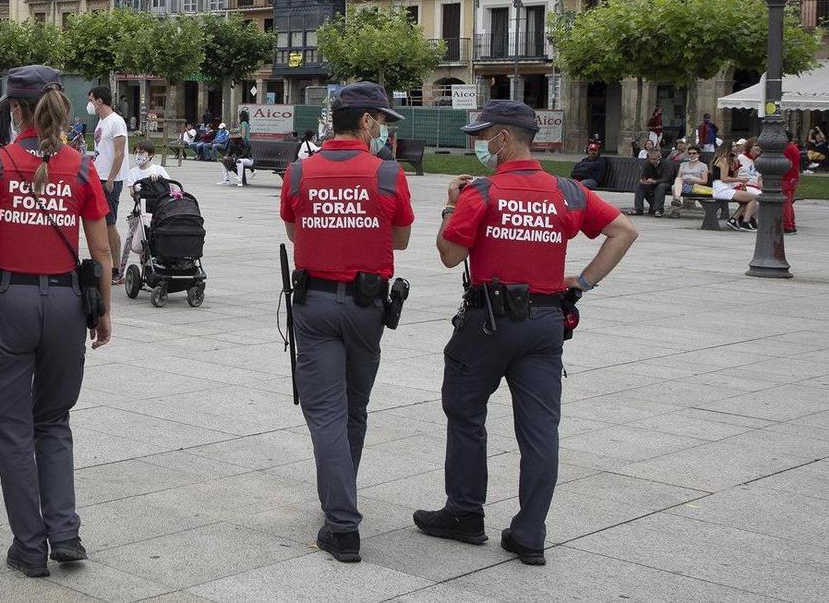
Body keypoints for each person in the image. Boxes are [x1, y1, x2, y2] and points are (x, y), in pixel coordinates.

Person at [418, 99, 637, 567]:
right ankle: (530, 531)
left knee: (465, 412)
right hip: (544, 323)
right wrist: (583, 281)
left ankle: (464, 512)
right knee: (540, 431)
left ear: (502, 138)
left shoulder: (483, 192)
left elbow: (451, 255)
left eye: (482, 137)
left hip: (487, 324)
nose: (479, 146)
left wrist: (450, 207)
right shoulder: (567, 191)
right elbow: (623, 231)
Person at [0, 65, 112, 579]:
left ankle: (29, 545)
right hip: (66, 305)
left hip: (10, 305)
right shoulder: (80, 167)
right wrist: (102, 310)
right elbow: (102, 250)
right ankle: (66, 534)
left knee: (12, 428)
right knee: (54, 422)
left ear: (13, 110)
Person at [278, 81, 414, 563]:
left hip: (314, 306)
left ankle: (341, 521)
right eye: (381, 121)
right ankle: (342, 502)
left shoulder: (298, 172)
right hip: (367, 308)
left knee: (325, 414)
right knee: (354, 409)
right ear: (367, 122)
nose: (382, 130)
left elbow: (295, 231)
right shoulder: (388, 174)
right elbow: (399, 241)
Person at [88, 85, 129, 283]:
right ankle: (105, 265)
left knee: (110, 223)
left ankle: (116, 268)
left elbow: (119, 152)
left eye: (91, 100)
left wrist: (112, 177)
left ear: (99, 101)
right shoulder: (101, 122)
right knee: (100, 222)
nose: (90, 104)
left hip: (110, 179)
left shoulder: (116, 122)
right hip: (98, 176)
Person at [120, 140, 171, 274]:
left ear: (151, 154)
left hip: (159, 209)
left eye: (141, 152)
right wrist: (137, 190)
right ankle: (145, 270)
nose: (138, 155)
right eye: (136, 152)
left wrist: (159, 180)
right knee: (142, 241)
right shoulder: (133, 172)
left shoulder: (158, 170)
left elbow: (170, 187)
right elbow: (132, 193)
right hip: (142, 209)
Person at [711, 145, 758, 231]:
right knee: (754, 197)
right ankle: (745, 223)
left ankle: (733, 220)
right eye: (732, 146)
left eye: (735, 146)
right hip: (721, 188)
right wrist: (741, 179)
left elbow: (733, 176)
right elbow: (724, 178)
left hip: (728, 187)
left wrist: (737, 166)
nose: (735, 148)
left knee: (747, 200)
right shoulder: (723, 160)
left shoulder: (730, 161)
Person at [634, 147, 674, 216]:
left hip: (666, 183)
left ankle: (658, 210)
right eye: (651, 159)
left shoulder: (666, 164)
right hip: (652, 183)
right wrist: (643, 180)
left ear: (659, 157)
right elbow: (644, 175)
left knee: (660, 187)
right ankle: (638, 209)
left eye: (654, 159)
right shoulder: (647, 164)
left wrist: (655, 181)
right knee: (640, 186)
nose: (652, 161)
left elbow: (667, 178)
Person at [783, 131, 801, 234]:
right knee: (789, 203)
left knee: (785, 204)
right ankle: (791, 224)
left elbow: (788, 164)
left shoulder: (787, 149)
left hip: (786, 179)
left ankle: (787, 226)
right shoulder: (793, 147)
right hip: (793, 179)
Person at [233, 110, 253, 186]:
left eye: (240, 116)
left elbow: (243, 133)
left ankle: (240, 177)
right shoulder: (246, 123)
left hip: (244, 141)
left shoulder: (243, 123)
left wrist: (238, 137)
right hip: (246, 141)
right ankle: (241, 175)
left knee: (241, 157)